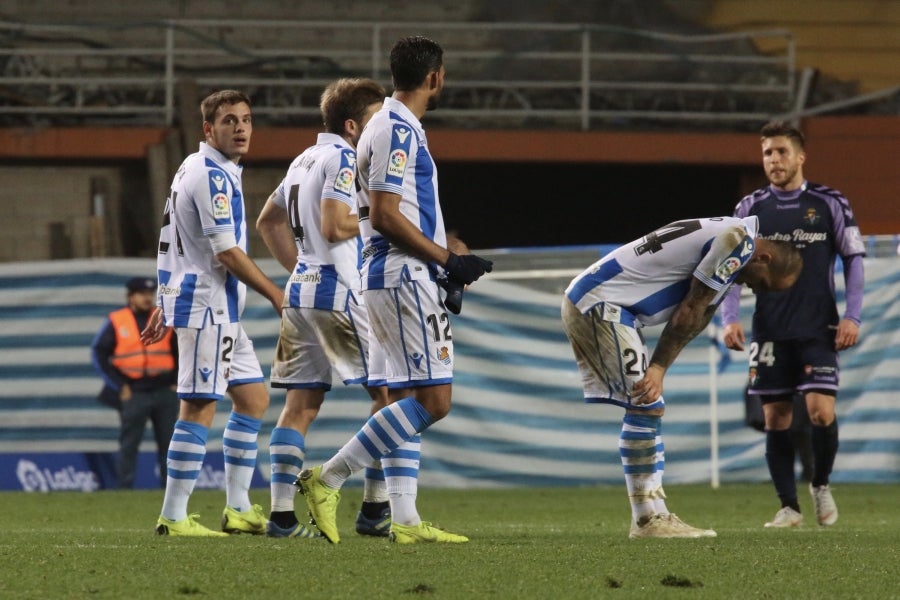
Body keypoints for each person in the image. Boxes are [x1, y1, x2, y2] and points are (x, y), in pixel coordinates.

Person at [294, 36, 493, 545]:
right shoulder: (396, 127)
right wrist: (447, 258)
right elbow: (384, 213)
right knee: (434, 400)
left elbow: (394, 207)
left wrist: (445, 251)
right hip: (402, 276)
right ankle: (329, 477)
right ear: (436, 77)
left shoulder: (388, 126)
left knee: (402, 395)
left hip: (391, 274)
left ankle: (403, 519)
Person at [562, 215, 803, 539]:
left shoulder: (734, 236)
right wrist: (659, 367)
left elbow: (702, 314)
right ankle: (648, 520)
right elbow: (692, 307)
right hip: (601, 305)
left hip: (609, 307)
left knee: (648, 404)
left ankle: (653, 515)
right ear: (763, 258)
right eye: (763, 283)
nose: (755, 289)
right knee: (646, 403)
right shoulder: (737, 242)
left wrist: (661, 367)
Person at [141, 89, 285, 537]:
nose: (240, 128)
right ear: (209, 129)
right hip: (206, 306)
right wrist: (276, 295)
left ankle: (238, 507)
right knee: (199, 406)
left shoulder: (199, 165)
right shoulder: (212, 176)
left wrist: (163, 298)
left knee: (253, 399)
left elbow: (170, 239)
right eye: (228, 121)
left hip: (216, 307)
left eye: (246, 119)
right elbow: (227, 252)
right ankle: (174, 516)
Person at [255, 77, 389, 539]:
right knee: (391, 397)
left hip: (301, 291)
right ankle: (375, 510)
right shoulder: (345, 158)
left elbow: (267, 220)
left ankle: (280, 516)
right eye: (374, 118)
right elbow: (334, 227)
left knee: (299, 406)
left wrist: (302, 268)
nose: (381, 127)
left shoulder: (302, 159)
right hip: (337, 290)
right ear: (352, 125)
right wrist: (381, 218)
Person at [721, 121, 865, 529]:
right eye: (767, 153)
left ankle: (820, 483)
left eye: (781, 152)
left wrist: (852, 315)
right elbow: (730, 265)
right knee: (776, 418)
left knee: (820, 413)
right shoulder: (750, 209)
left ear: (800, 157)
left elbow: (854, 260)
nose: (774, 160)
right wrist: (729, 318)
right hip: (770, 329)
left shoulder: (829, 202)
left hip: (818, 327)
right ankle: (789, 507)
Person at [91, 276, 178, 489]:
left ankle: (170, 489)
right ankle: (124, 488)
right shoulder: (117, 320)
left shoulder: (164, 319)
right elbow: (99, 353)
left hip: (164, 390)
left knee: (169, 444)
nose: (147, 298)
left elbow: (181, 351)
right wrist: (120, 385)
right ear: (130, 296)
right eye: (142, 294)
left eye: (150, 294)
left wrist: (177, 381)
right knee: (129, 443)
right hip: (134, 391)